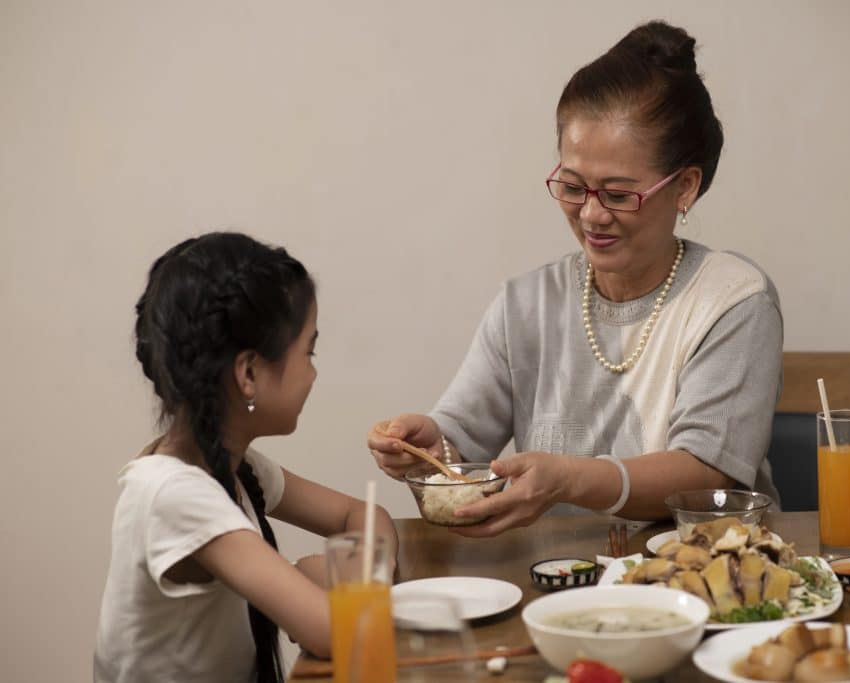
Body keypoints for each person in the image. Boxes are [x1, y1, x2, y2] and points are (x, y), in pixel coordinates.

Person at [368, 20, 782, 537]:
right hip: (555, 573)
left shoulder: (731, 299)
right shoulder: (526, 304)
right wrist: (431, 446)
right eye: (572, 186)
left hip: (704, 569)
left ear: (685, 186)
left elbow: (705, 473)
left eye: (618, 194)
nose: (590, 215)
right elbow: (460, 441)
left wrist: (567, 479)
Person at [94, 232, 397, 683]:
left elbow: (363, 515)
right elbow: (334, 633)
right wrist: (320, 578)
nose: (313, 373)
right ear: (249, 372)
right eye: (308, 351)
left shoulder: (237, 468)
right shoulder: (172, 494)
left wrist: (358, 579)